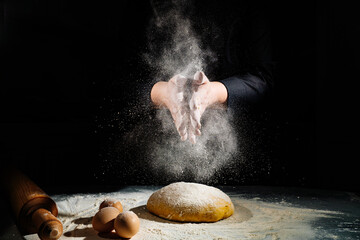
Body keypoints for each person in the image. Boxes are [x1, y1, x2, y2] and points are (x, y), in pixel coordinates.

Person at [149, 0, 274, 144]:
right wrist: (164, 93)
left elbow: (264, 77)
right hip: (155, 133)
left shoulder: (250, 7)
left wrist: (212, 93)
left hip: (239, 133)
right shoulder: (151, 6)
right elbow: (123, 74)